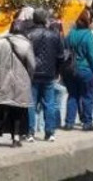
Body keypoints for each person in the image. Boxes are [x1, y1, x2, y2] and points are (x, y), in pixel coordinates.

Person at [0, 20, 35, 148]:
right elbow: (32, 65)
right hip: (19, 81)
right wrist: (29, 77)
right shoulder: (26, 44)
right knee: (17, 110)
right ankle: (15, 138)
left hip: (1, 78)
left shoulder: (0, 41)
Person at [26, 9, 64, 141]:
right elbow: (61, 56)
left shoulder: (29, 34)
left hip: (32, 73)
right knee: (49, 103)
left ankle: (30, 132)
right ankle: (50, 132)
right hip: (49, 73)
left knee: (31, 102)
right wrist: (57, 71)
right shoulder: (54, 35)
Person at [64, 10, 93, 131]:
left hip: (70, 69)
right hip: (85, 69)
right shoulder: (88, 35)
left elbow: (65, 48)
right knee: (87, 96)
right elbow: (92, 56)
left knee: (72, 95)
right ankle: (87, 122)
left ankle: (69, 122)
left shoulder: (71, 33)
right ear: (87, 22)